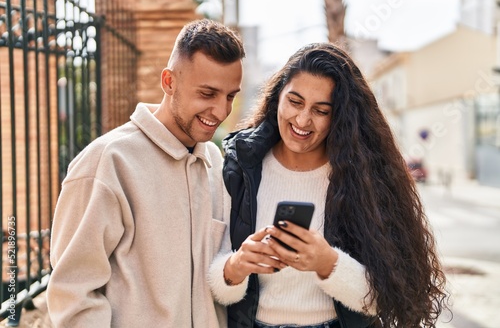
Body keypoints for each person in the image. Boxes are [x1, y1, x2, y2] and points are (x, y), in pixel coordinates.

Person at [208, 43, 449, 328]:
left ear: (341, 117)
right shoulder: (240, 167)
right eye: (295, 102)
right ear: (277, 98)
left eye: (321, 110)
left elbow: (385, 297)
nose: (302, 119)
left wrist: (328, 263)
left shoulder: (363, 177)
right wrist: (235, 268)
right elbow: (213, 285)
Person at [46, 19, 245, 327]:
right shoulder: (106, 162)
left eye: (230, 96)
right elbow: (73, 294)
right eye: (207, 94)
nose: (220, 111)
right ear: (169, 82)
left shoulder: (215, 163)